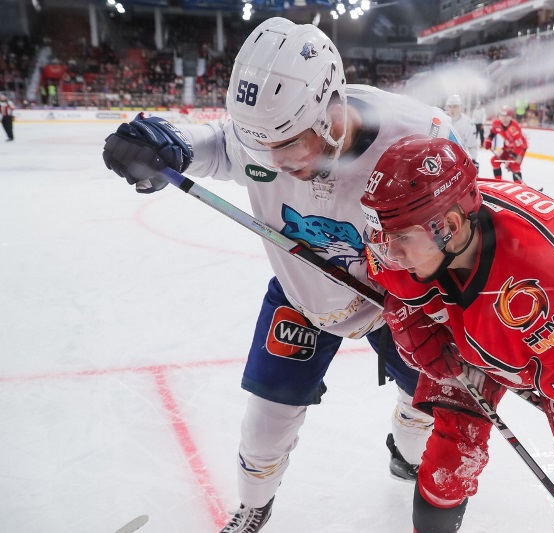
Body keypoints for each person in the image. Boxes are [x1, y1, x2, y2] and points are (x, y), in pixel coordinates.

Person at [102, 18, 463, 532]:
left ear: (330, 110)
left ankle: (405, 454)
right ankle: (255, 504)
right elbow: (218, 146)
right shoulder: (268, 134)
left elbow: (461, 230)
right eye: (261, 148)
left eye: (289, 144)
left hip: (398, 303)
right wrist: (168, 144)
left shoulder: (419, 136)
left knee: (423, 401)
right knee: (267, 420)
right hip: (303, 295)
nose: (274, 162)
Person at [359, 135, 554, 532]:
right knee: (449, 463)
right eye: (384, 237)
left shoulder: (547, 283)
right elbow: (385, 266)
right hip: (465, 335)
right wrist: (406, 313)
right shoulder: (418, 230)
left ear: (449, 227)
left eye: (400, 240)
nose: (389, 254)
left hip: (546, 345)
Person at [484, 105, 527, 183]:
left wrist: (511, 159)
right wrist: (489, 140)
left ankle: (519, 186)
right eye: (502, 116)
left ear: (511, 117)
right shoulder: (496, 123)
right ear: (499, 116)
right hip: (508, 147)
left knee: (514, 165)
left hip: (520, 149)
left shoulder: (514, 128)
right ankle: (498, 182)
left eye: (507, 116)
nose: (504, 119)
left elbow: (520, 146)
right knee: (494, 161)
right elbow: (493, 132)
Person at [444, 94, 479, 173]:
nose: (452, 109)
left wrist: (473, 160)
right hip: (443, 158)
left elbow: (472, 145)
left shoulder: (468, 123)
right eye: (450, 106)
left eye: (455, 106)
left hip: (461, 159)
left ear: (460, 107)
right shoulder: (442, 119)